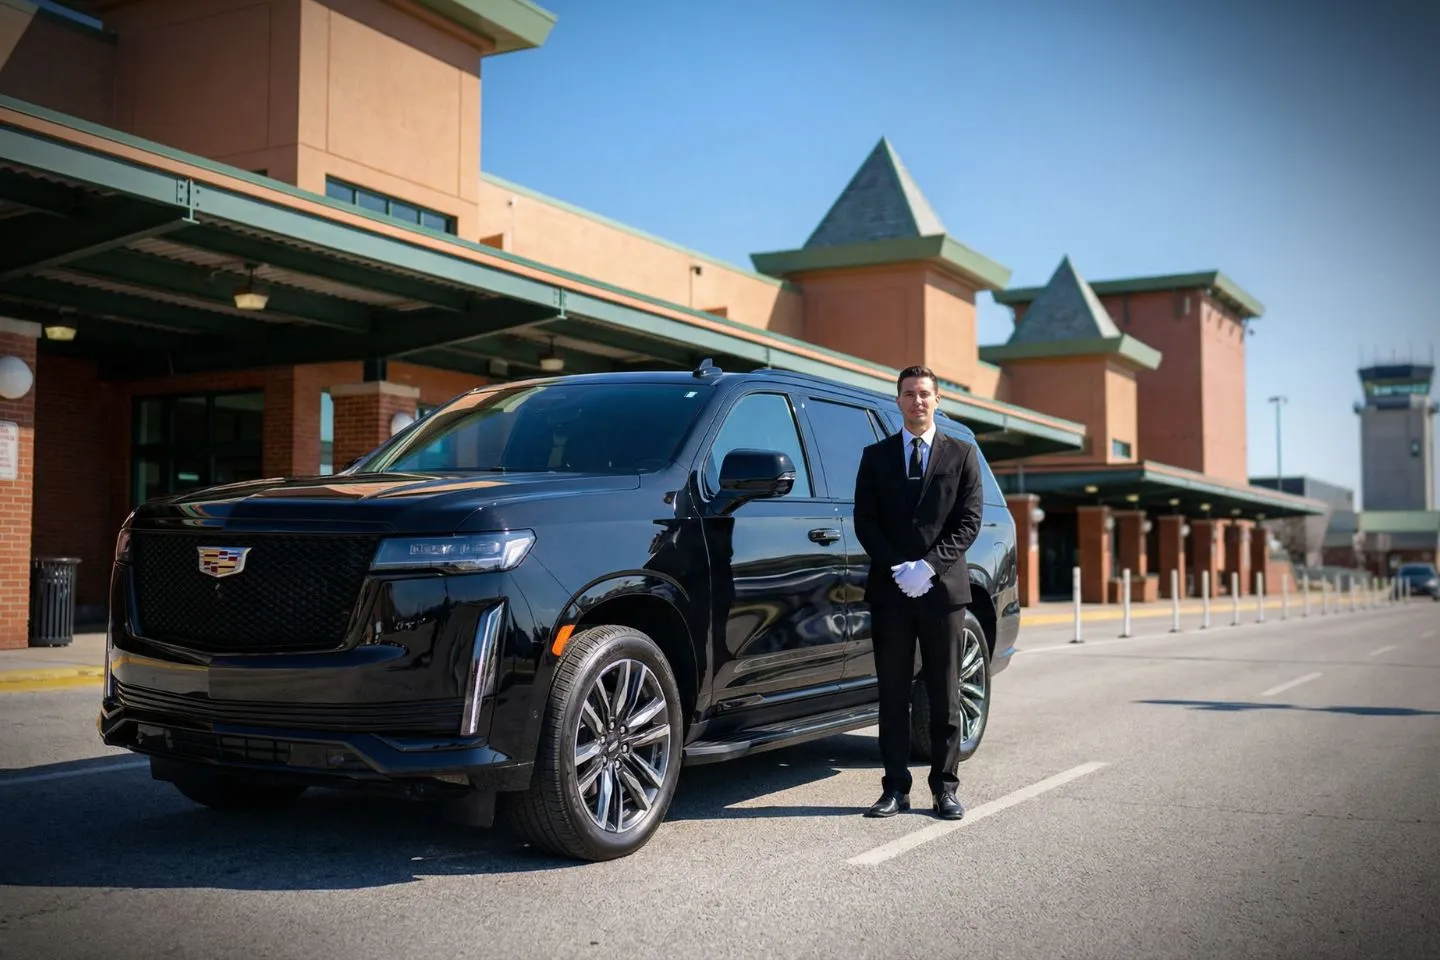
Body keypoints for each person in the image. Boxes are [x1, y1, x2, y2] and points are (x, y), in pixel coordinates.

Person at [852, 365, 984, 820]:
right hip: (891, 593)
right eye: (909, 394)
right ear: (898, 401)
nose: (917, 401)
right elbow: (865, 521)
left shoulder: (962, 455)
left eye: (925, 394)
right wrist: (898, 568)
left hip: (943, 591)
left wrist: (928, 567)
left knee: (944, 694)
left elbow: (968, 522)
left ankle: (944, 788)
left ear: (937, 399)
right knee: (892, 694)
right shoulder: (875, 456)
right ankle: (894, 789)